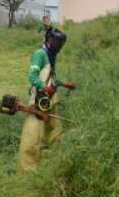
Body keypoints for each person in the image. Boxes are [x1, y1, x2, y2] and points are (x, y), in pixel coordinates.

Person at [17, 27, 76, 174]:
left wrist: (64, 83)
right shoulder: (40, 54)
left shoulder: (51, 55)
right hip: (38, 100)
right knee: (32, 135)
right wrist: (44, 87)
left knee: (55, 131)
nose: (58, 45)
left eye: (61, 43)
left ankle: (51, 164)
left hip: (49, 100)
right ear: (48, 38)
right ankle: (26, 171)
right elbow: (32, 76)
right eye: (56, 41)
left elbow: (51, 79)